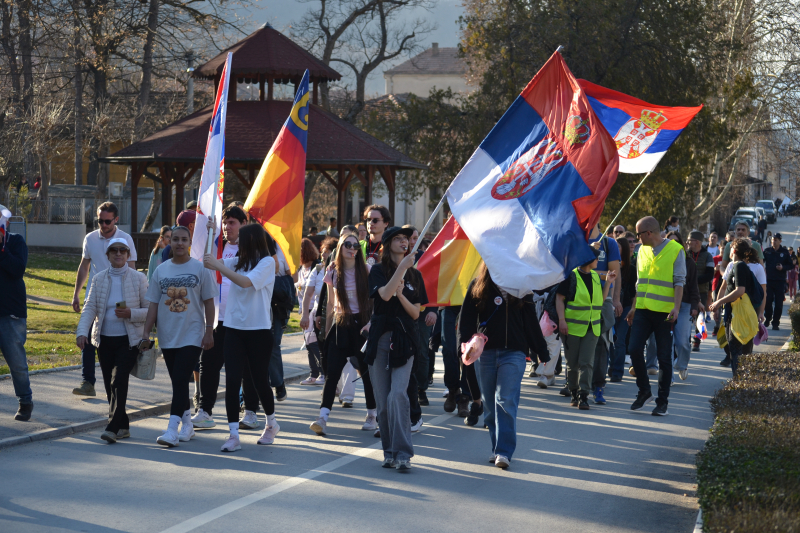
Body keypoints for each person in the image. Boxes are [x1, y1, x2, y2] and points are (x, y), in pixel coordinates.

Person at [458, 262, 548, 469]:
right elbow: (467, 320)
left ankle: (503, 452)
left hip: (514, 353)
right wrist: (463, 346)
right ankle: (496, 447)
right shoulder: (478, 286)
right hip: (485, 354)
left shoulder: (522, 288)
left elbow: (530, 322)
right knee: (489, 405)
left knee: (505, 400)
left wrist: (541, 351)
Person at [203, 223, 279, 452]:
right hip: (234, 329)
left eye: (242, 240)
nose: (237, 243)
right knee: (232, 380)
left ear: (252, 241)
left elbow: (245, 283)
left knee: (259, 382)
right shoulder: (238, 261)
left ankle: (272, 423)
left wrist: (218, 266)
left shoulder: (267, 263)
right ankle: (233, 435)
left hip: (259, 331)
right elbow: (209, 263)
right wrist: (209, 233)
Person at [141, 225, 216, 447]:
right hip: (167, 335)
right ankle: (188, 426)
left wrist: (209, 329)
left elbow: (210, 302)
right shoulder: (161, 271)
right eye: (176, 239)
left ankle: (172, 430)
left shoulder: (200, 269)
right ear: (169, 242)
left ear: (190, 242)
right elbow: (153, 304)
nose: (180, 243)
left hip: (192, 334)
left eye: (184, 239)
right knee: (178, 383)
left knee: (182, 378)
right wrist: (146, 332)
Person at [365, 226, 428, 470]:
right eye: (399, 238)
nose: (404, 242)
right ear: (388, 243)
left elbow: (415, 313)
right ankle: (389, 451)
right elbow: (385, 295)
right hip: (380, 338)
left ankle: (403, 453)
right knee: (382, 401)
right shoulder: (378, 271)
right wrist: (401, 269)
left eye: (407, 239)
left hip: (405, 339)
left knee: (398, 394)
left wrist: (403, 295)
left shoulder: (416, 275)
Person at [76, 238, 148, 443]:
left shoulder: (138, 279)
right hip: (104, 339)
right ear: (107, 255)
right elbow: (89, 307)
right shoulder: (99, 279)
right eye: (114, 250)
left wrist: (131, 313)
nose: (118, 254)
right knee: (109, 384)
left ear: (128, 254)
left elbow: (150, 310)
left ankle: (112, 426)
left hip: (129, 340)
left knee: (119, 380)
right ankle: (123, 425)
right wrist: (82, 332)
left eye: (123, 250)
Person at [309, 233, 377, 436]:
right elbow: (330, 304)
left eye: (356, 246)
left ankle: (372, 415)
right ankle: (323, 417)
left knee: (366, 374)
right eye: (348, 244)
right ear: (340, 247)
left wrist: (371, 324)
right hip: (340, 325)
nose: (352, 248)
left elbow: (374, 302)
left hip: (361, 325)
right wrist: (327, 332)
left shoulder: (366, 270)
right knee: (332, 375)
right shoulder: (332, 272)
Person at [71, 202, 137, 397]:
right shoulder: (90, 238)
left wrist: (132, 299)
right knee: (88, 335)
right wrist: (76, 293)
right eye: (100, 221)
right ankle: (87, 381)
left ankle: (118, 377)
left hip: (120, 296)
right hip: (96, 294)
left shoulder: (125, 239)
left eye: (107, 221)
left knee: (118, 334)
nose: (103, 225)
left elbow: (132, 268)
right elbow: (84, 266)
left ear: (116, 220)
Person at [191, 205, 247, 430]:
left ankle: (250, 409)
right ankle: (205, 410)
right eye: (225, 222)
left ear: (243, 224)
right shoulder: (217, 246)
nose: (227, 226)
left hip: (240, 320)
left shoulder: (250, 250)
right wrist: (210, 234)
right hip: (216, 318)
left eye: (232, 222)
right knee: (208, 364)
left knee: (241, 369)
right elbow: (204, 263)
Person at [626, 216, 685, 417]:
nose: (637, 238)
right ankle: (644, 391)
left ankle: (662, 402)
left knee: (663, 358)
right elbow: (639, 282)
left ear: (648, 233)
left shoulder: (676, 250)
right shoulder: (641, 250)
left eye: (638, 234)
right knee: (634, 349)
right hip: (643, 310)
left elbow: (679, 282)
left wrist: (676, 308)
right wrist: (634, 307)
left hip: (665, 314)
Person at [556, 248, 616, 409]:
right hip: (572, 328)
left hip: (593, 328)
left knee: (587, 362)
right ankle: (574, 392)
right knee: (573, 363)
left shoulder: (596, 276)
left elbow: (600, 301)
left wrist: (608, 283)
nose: (598, 261)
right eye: (596, 258)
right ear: (589, 259)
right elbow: (559, 299)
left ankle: (584, 396)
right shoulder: (571, 276)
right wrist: (562, 320)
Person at [0, 204, 34, 421]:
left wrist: (1, 249)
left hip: (10, 313)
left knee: (17, 362)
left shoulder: (16, 242)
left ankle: (25, 401)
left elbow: (17, 270)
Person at [709, 239, 760, 377]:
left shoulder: (739, 266)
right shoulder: (736, 265)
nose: (728, 251)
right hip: (733, 313)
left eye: (730, 248)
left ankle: (739, 381)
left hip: (738, 314)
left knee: (736, 350)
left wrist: (719, 302)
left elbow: (740, 290)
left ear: (735, 251)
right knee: (733, 348)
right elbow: (726, 287)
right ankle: (739, 380)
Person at [665, 231, 701, 381]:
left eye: (676, 242)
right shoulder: (662, 259)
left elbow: (694, 287)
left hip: (685, 305)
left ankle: (682, 365)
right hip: (665, 304)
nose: (673, 245)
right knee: (667, 343)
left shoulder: (689, 262)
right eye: (669, 242)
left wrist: (694, 306)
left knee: (683, 342)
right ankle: (668, 377)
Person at [296, 238, 325, 385]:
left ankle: (323, 372)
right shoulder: (301, 269)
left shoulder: (316, 266)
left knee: (313, 342)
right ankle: (313, 374)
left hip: (314, 309)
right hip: (304, 309)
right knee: (308, 344)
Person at [609, 236, 637, 382]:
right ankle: (610, 365)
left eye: (618, 246)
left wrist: (633, 309)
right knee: (609, 339)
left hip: (625, 308)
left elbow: (634, 294)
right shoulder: (608, 267)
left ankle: (617, 372)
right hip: (609, 306)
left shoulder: (631, 269)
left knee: (620, 340)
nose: (615, 248)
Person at [688, 230, 715, 351]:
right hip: (685, 291)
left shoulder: (707, 255)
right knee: (686, 315)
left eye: (690, 241)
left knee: (700, 317)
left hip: (701, 291)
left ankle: (697, 340)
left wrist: (694, 280)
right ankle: (685, 340)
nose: (688, 243)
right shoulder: (685, 254)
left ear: (697, 242)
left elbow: (710, 275)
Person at [763, 233, 792, 330]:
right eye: (772, 240)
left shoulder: (784, 252)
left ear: (780, 241)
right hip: (769, 281)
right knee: (768, 301)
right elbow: (761, 262)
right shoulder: (767, 251)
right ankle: (768, 318)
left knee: (779, 303)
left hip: (780, 281)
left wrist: (782, 267)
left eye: (776, 240)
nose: (773, 241)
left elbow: (790, 265)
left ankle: (775, 323)